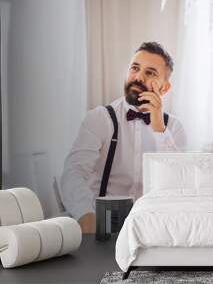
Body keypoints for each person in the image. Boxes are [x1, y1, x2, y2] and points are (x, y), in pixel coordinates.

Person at [60, 42, 187, 233]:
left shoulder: (174, 129)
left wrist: (160, 129)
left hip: (153, 228)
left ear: (165, 88)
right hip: (101, 225)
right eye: (135, 68)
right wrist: (85, 215)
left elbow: (180, 185)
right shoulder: (100, 119)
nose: (138, 77)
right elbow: (74, 173)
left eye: (150, 73)